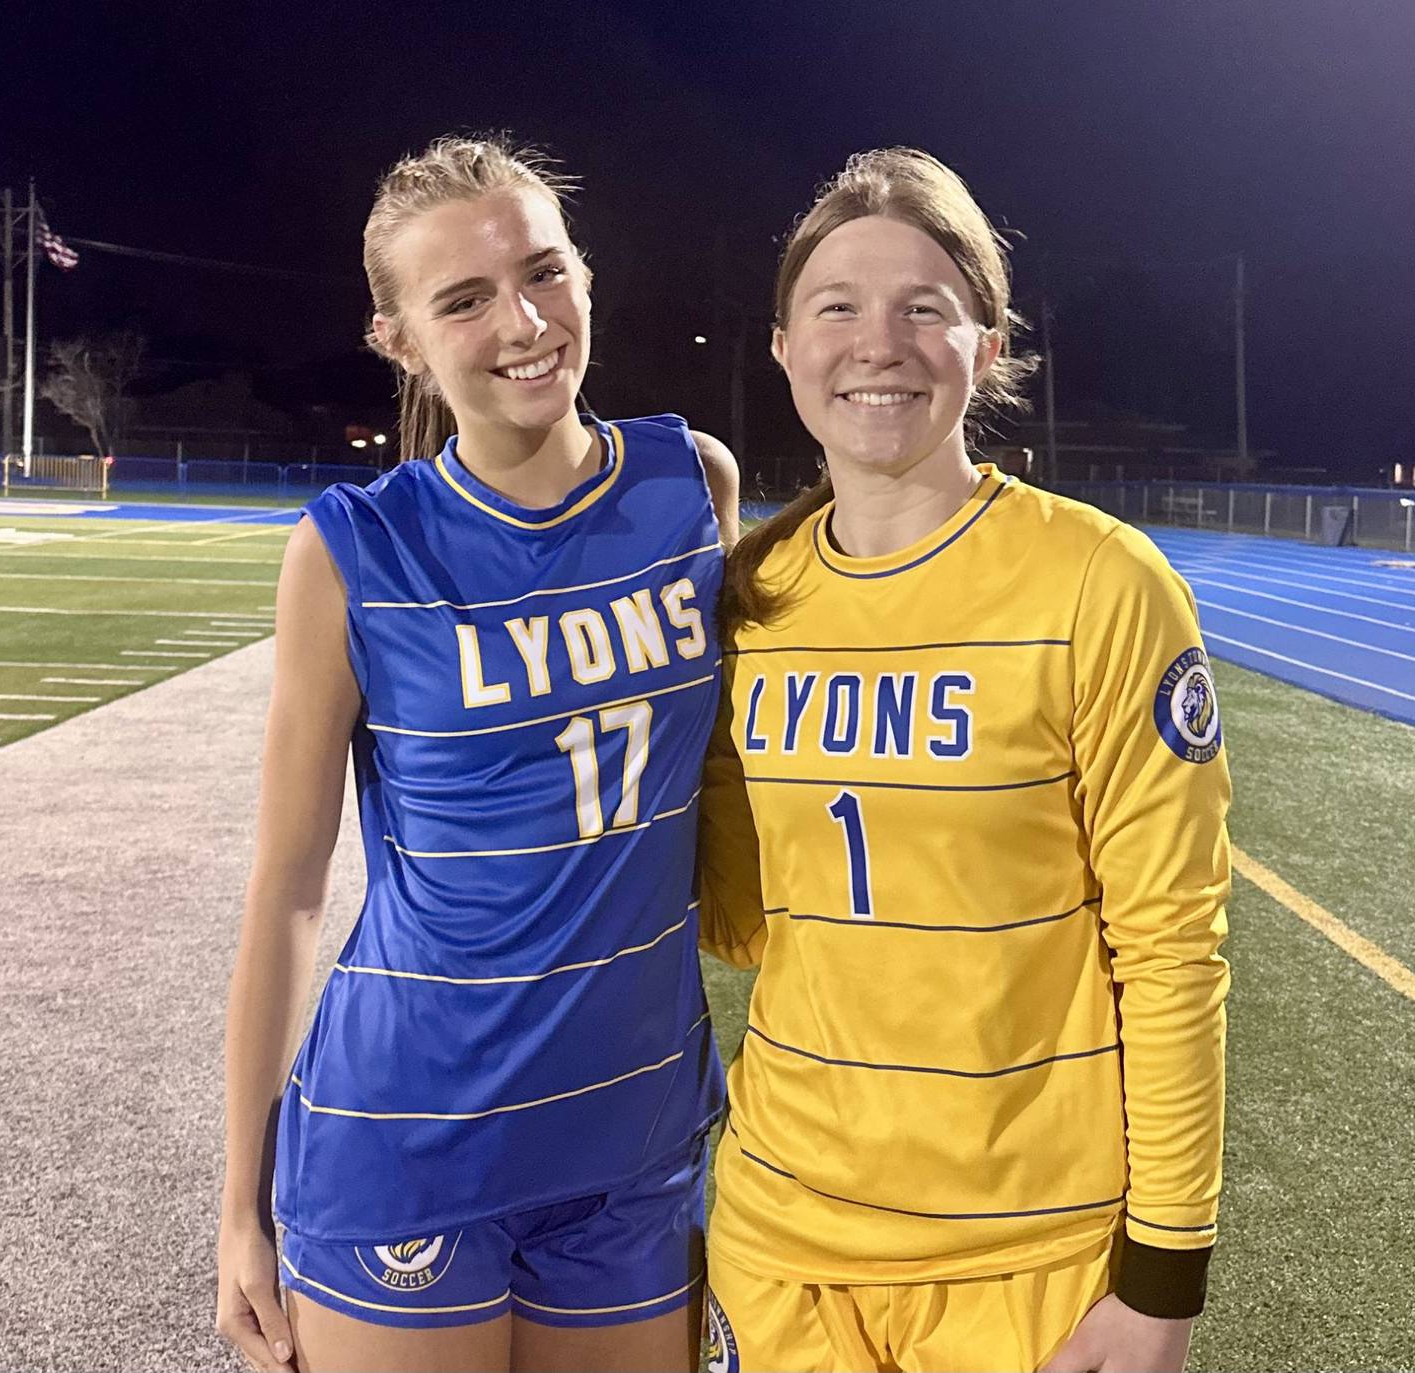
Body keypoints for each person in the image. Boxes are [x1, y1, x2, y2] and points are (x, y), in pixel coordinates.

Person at [699, 148, 1230, 1373]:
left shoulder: (1100, 583)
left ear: (987, 348)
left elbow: (1169, 943)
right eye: (835, 306)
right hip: (781, 1236)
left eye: (924, 309)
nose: (875, 343)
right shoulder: (744, 596)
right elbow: (745, 921)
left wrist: (1163, 1272)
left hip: (1026, 1257)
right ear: (783, 345)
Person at [217, 135, 739, 1373]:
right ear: (400, 337)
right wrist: (239, 1199)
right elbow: (289, 887)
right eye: (463, 298)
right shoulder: (355, 549)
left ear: (587, 278)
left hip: (636, 1136)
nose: (525, 321)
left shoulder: (691, 486)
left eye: (545, 273)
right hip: (408, 1132)